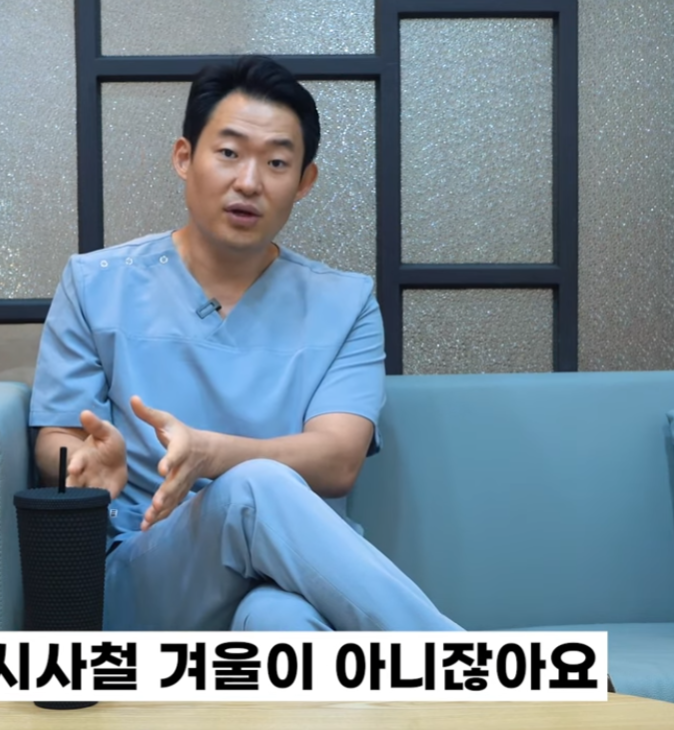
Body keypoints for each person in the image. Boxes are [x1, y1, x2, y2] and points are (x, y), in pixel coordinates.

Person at [28, 55, 461, 633]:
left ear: (304, 182)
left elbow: (338, 460)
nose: (249, 182)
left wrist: (210, 454)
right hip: (148, 571)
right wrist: (80, 467)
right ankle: (473, 670)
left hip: (289, 579)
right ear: (184, 158)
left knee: (282, 623)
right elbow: (59, 436)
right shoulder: (95, 283)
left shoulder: (346, 303)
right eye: (229, 153)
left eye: (277, 162)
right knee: (256, 486)